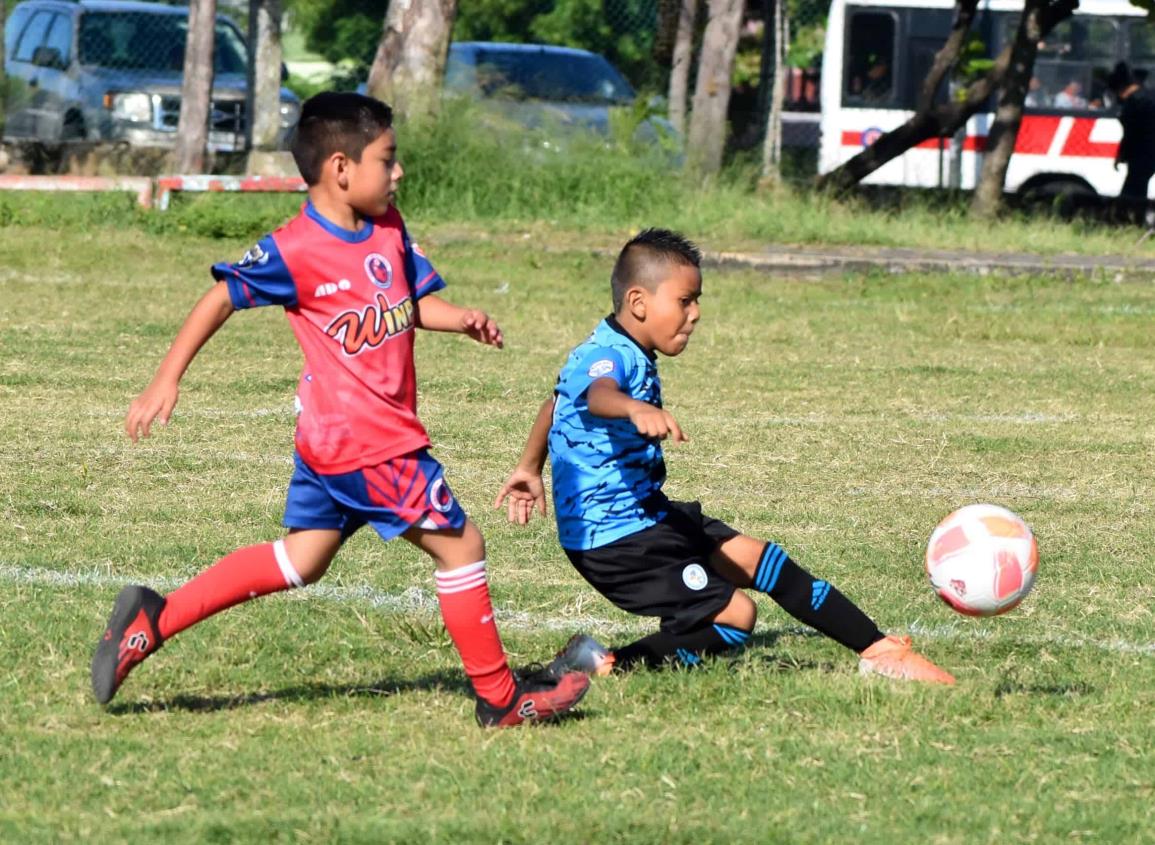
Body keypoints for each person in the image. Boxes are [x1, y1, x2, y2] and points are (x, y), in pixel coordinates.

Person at [90, 92, 590, 728]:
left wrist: (457, 319)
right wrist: (166, 379)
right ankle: (500, 699)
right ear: (340, 169)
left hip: (330, 447)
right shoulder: (294, 249)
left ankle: (153, 619)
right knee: (462, 547)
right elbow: (219, 298)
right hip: (371, 443)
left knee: (303, 559)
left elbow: (404, 303)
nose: (399, 172)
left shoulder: (388, 226)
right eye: (389, 159)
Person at [495, 229, 955, 684]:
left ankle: (878, 649)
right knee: (736, 618)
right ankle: (603, 664)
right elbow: (599, 396)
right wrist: (634, 408)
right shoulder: (610, 356)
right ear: (639, 302)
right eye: (684, 301)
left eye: (697, 301)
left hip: (646, 517)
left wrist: (527, 468)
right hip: (616, 542)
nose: (694, 314)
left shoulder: (616, 343)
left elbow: (556, 404)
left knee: (761, 560)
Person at [1106, 61, 1155, 223]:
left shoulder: (1134, 103)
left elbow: (1131, 134)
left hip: (1142, 154)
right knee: (1136, 189)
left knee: (1133, 192)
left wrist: (1121, 154)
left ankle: (1129, 222)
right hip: (1147, 154)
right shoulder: (1148, 97)